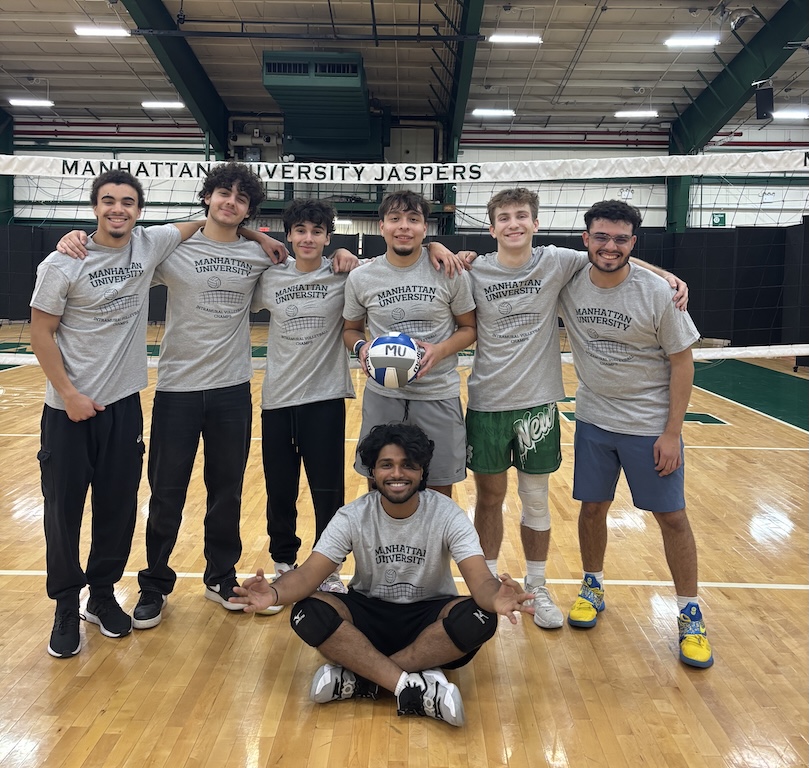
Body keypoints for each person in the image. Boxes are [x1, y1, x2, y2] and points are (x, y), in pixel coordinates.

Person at [54, 163, 292, 630]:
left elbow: (311, 261)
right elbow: (116, 246)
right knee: (166, 494)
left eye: (241, 199)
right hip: (177, 390)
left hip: (232, 390)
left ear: (249, 210)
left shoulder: (259, 254)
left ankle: (220, 576)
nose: (230, 202)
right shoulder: (169, 250)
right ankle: (155, 584)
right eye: (223, 193)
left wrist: (260, 236)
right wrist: (72, 239)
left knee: (227, 491)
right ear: (207, 197)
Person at [466, 188, 689, 631]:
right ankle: (486, 587)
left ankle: (537, 586)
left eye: (522, 216)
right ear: (492, 228)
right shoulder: (470, 270)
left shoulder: (557, 261)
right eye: (504, 218)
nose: (514, 224)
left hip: (539, 402)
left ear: (535, 223)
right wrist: (438, 246)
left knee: (534, 500)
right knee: (489, 498)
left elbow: (614, 256)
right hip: (488, 401)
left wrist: (666, 276)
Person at [231, 423, 534, 726]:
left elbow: (480, 580)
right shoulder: (353, 516)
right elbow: (309, 573)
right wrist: (273, 592)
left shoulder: (446, 513)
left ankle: (364, 677)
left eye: (408, 465)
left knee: (481, 618)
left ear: (421, 472)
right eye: (386, 465)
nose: (397, 474)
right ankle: (412, 686)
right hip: (369, 617)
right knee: (307, 612)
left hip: (428, 617)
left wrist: (495, 597)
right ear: (373, 473)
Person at [31, 170, 197, 657]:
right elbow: (41, 334)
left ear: (140, 211)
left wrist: (258, 235)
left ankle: (101, 596)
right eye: (108, 201)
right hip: (67, 411)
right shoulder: (62, 262)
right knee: (63, 513)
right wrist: (69, 393)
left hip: (124, 406)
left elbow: (203, 220)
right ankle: (65, 604)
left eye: (127, 202)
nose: (117, 209)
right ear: (94, 207)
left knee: (118, 509)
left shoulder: (149, 245)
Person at [557, 199, 713, 668]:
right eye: (601, 236)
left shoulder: (657, 293)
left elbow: (682, 361)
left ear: (633, 244)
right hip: (593, 419)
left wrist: (672, 432)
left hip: (649, 427)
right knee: (592, 509)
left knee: (673, 518)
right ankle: (592, 584)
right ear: (584, 240)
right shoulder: (568, 279)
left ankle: (690, 613)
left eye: (621, 239)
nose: (610, 246)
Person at [250, 199, 356, 605]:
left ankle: (328, 569)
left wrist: (351, 256)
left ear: (328, 238)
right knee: (280, 488)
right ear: (288, 235)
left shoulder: (344, 274)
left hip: (324, 398)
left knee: (327, 490)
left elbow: (388, 267)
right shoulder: (270, 278)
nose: (307, 238)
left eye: (316, 231)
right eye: (300, 231)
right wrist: (253, 234)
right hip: (277, 400)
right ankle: (283, 563)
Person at [342, 190, 476, 497]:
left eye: (413, 219)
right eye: (395, 219)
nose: (404, 226)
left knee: (439, 489)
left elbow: (469, 328)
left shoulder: (449, 271)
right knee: (379, 485)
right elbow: (350, 330)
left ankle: (434, 546)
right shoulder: (362, 277)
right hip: (383, 394)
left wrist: (439, 350)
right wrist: (362, 349)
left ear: (424, 229)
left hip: (437, 394)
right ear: (382, 227)